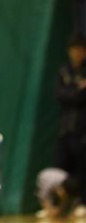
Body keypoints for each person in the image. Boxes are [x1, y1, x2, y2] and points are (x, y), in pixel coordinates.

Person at [53, 35, 86, 217]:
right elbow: (60, 95)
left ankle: (82, 202)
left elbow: (80, 97)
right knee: (60, 168)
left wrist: (74, 93)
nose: (77, 53)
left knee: (82, 169)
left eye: (81, 49)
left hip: (82, 132)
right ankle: (57, 206)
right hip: (65, 130)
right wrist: (78, 90)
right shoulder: (64, 71)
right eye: (74, 49)